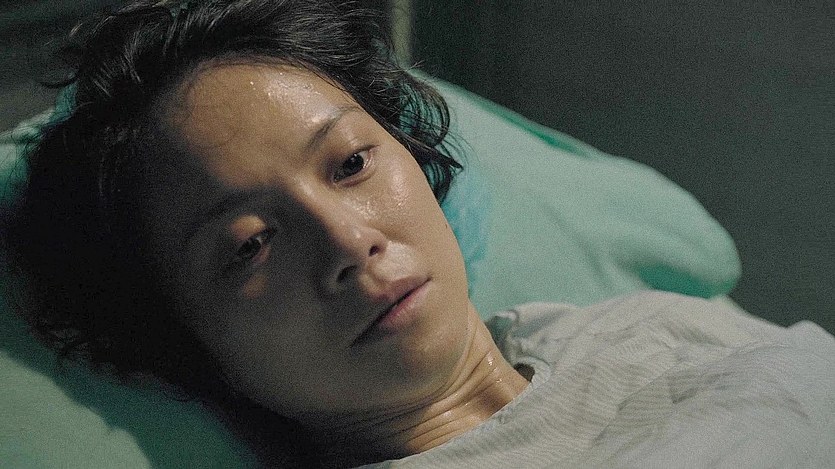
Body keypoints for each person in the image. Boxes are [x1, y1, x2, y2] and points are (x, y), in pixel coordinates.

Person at [2, 1, 833, 468]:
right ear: (184, 344)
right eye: (251, 242)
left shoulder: (641, 325)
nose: (347, 241)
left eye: (350, 163)